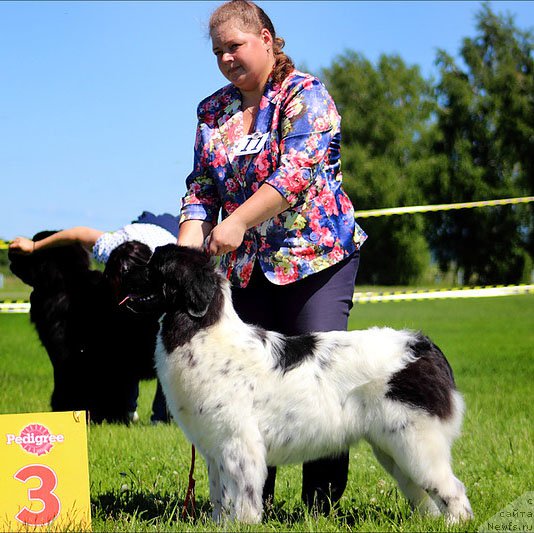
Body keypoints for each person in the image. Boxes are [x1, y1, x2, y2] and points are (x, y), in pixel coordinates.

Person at [177, 0, 367, 513]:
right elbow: (200, 185)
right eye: (218, 52)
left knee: (320, 384)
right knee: (249, 387)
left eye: (234, 47)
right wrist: (190, 237)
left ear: (266, 38)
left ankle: (319, 509)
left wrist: (236, 221)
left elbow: (295, 174)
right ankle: (248, 503)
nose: (226, 60)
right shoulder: (211, 110)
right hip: (242, 270)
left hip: (315, 258)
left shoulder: (306, 96)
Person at [9, 211, 178, 424]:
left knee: (169, 345)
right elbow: (79, 233)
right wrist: (35, 247)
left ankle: (162, 418)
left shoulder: (172, 265)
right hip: (138, 235)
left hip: (171, 231)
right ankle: (125, 411)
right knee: (121, 346)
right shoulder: (111, 246)